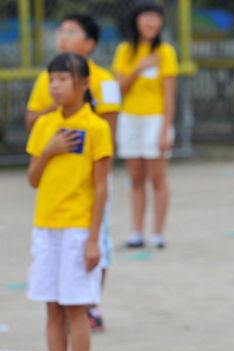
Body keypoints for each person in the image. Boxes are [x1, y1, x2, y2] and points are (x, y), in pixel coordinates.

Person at [25, 13, 119, 332]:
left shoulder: (105, 80)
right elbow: (33, 118)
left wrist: (80, 117)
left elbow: (110, 124)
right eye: (60, 30)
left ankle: (90, 304)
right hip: (54, 187)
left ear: (89, 43)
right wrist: (60, 111)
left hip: (92, 173)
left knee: (96, 245)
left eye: (71, 31)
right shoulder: (46, 78)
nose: (62, 36)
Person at [112, 1, 178, 248]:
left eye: (156, 17)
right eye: (146, 17)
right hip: (130, 119)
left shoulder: (166, 52)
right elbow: (119, 88)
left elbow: (169, 95)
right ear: (136, 20)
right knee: (136, 178)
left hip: (155, 119)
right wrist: (138, 67)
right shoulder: (125, 51)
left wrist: (165, 129)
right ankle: (136, 232)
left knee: (157, 177)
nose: (151, 22)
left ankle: (158, 233)